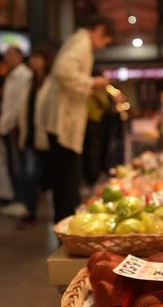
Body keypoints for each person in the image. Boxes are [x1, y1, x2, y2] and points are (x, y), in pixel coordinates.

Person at [39, 15, 114, 223]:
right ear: (99, 30)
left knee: (66, 176)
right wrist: (92, 83)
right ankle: (66, 222)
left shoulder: (78, 41)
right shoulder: (81, 43)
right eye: (105, 40)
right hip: (64, 119)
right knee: (66, 177)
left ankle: (65, 219)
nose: (102, 46)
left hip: (64, 117)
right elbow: (63, 70)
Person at [17, 45, 55, 224]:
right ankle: (30, 209)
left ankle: (51, 209)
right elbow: (24, 110)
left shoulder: (51, 82)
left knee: (44, 174)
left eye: (37, 57)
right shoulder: (29, 82)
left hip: (46, 135)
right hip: (31, 135)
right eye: (32, 57)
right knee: (29, 174)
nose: (34, 61)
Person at [0, 46, 33, 217]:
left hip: (16, 126)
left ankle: (21, 200)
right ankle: (17, 198)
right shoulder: (11, 76)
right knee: (13, 164)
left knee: (19, 164)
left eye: (11, 55)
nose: (8, 59)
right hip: (8, 125)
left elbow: (19, 104)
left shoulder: (23, 75)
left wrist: (13, 124)